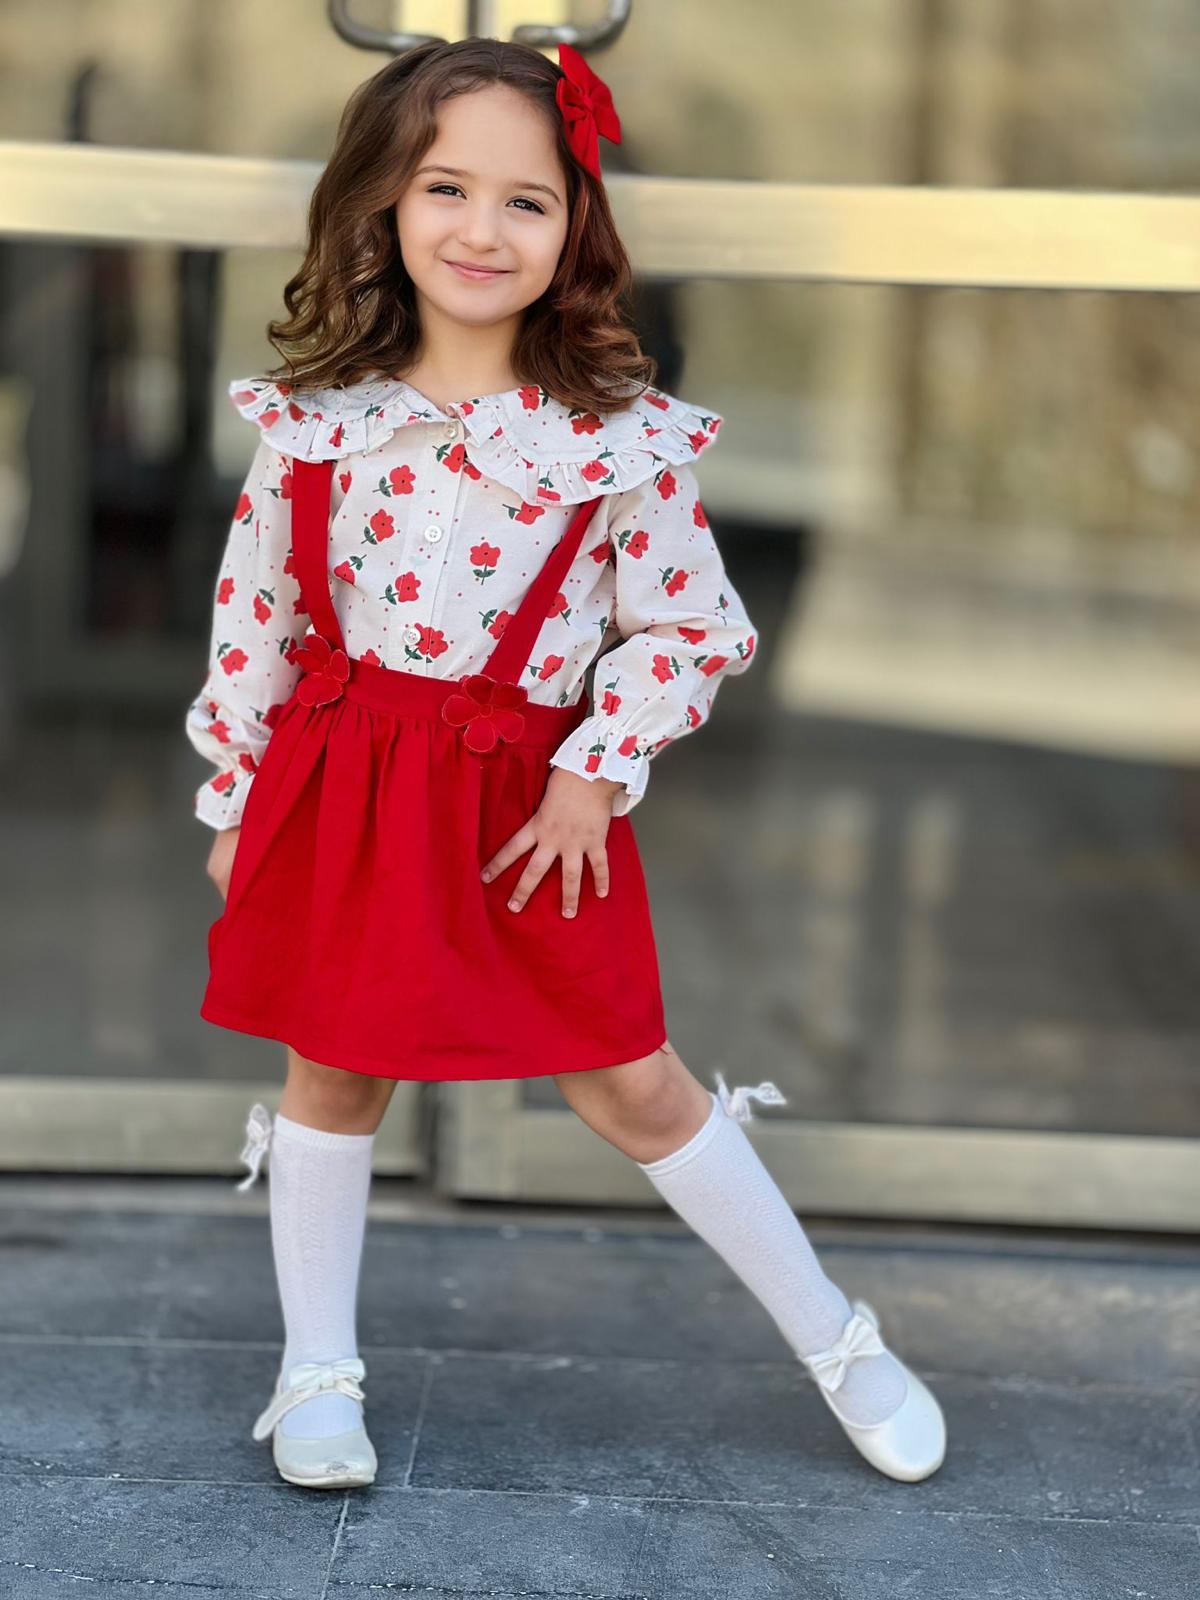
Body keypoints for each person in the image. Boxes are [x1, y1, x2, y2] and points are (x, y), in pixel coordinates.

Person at [184, 37, 946, 1492]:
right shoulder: (314, 424)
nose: (482, 228)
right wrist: (236, 795)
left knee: (632, 1082)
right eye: (446, 187)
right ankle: (316, 1372)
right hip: (343, 788)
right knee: (333, 1069)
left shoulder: (617, 447)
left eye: (525, 200)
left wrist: (594, 769)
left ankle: (835, 1334)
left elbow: (692, 626)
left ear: (574, 227)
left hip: (527, 807)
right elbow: (258, 623)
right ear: (383, 203)